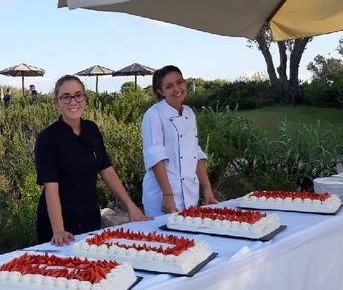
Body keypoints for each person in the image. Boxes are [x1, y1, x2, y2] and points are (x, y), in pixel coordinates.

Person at [34, 75, 150, 245]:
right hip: (58, 223)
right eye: (66, 97)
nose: (73, 101)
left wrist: (131, 207)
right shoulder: (47, 138)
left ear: (85, 98)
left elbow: (107, 170)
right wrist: (59, 230)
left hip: (90, 218)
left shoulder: (92, 129)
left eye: (78, 95)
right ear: (56, 102)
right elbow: (51, 187)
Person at [141, 65, 218, 216]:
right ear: (160, 91)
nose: (177, 89)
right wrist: (168, 195)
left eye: (179, 82)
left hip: (190, 194)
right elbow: (155, 157)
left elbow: (195, 153)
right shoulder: (154, 115)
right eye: (169, 86)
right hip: (163, 198)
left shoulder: (189, 112)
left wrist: (207, 189)